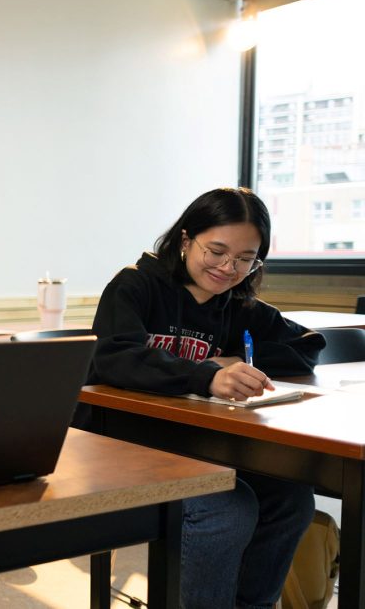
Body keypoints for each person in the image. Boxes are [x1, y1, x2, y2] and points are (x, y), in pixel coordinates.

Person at [88, 187, 325, 609]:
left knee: (290, 499)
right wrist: (207, 376)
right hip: (124, 445)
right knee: (229, 509)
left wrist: (236, 358)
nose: (227, 267)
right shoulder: (136, 285)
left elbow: (309, 344)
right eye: (216, 250)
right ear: (185, 239)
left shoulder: (238, 306)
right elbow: (114, 357)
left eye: (244, 259)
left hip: (202, 444)